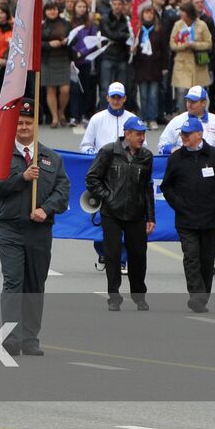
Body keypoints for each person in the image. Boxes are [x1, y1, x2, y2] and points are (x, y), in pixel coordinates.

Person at [0, 105, 70, 357]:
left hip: (39, 229)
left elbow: (63, 190)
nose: (24, 127)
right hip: (10, 227)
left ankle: (30, 338)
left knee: (34, 284)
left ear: (35, 125)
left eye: (28, 122)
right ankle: (11, 338)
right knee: (13, 282)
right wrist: (21, 178)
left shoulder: (50, 158)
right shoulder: (2, 154)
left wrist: (46, 209)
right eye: (20, 123)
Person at [161, 118, 215, 314]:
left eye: (187, 134)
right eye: (182, 134)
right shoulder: (176, 158)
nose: (183, 137)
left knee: (207, 261)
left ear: (199, 135)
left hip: (210, 219)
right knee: (191, 257)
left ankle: (203, 297)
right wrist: (178, 204)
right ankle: (196, 295)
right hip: (186, 219)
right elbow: (166, 186)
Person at [85, 117, 155, 312]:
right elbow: (92, 178)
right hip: (111, 214)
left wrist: (150, 217)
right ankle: (114, 297)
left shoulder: (147, 156)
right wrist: (108, 196)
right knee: (113, 255)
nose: (142, 137)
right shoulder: (109, 151)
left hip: (136, 213)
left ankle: (139, 296)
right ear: (127, 133)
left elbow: (147, 188)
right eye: (138, 134)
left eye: (143, 134)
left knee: (139, 256)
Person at [159, 86, 215, 155]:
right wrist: (172, 149)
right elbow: (162, 145)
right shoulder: (177, 121)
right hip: (184, 165)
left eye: (193, 102)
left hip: (210, 166)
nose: (189, 105)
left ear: (204, 103)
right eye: (188, 101)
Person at [80, 82, 131, 154]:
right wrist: (97, 156)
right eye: (113, 97)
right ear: (107, 98)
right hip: (102, 163)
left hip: (126, 163)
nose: (116, 101)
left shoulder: (133, 119)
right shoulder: (96, 119)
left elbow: (142, 145)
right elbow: (85, 146)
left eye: (119, 97)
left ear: (124, 98)